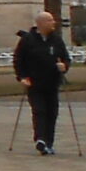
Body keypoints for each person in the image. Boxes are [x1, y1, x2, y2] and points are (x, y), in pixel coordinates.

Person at [13, 10, 73, 154]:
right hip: (34, 83)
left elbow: (65, 58)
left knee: (52, 113)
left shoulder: (56, 40)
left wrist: (64, 66)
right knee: (39, 111)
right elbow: (18, 60)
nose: (53, 23)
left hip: (52, 83)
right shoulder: (28, 40)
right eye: (50, 20)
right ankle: (40, 139)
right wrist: (22, 77)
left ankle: (49, 142)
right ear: (40, 23)